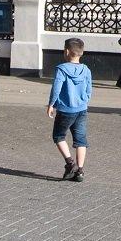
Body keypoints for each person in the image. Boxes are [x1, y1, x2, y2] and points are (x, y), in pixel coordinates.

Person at [47, 37, 92, 181]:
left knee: (59, 136)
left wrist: (51, 104)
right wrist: (85, 100)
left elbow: (56, 88)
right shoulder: (86, 70)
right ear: (81, 53)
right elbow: (89, 89)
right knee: (81, 140)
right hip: (82, 109)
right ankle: (80, 171)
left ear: (66, 51)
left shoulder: (62, 69)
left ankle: (70, 163)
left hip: (66, 110)